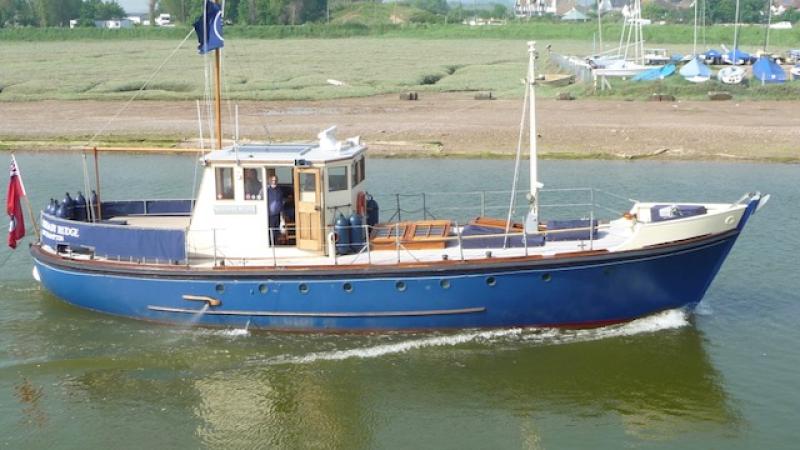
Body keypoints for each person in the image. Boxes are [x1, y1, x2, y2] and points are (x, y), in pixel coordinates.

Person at [266, 175, 284, 245]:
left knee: (277, 230)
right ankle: (271, 244)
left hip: (278, 213)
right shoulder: (266, 190)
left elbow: (281, 201)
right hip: (270, 214)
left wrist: (282, 213)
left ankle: (276, 243)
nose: (274, 181)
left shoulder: (279, 190)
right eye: (273, 180)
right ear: (270, 181)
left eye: (276, 180)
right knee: (271, 230)